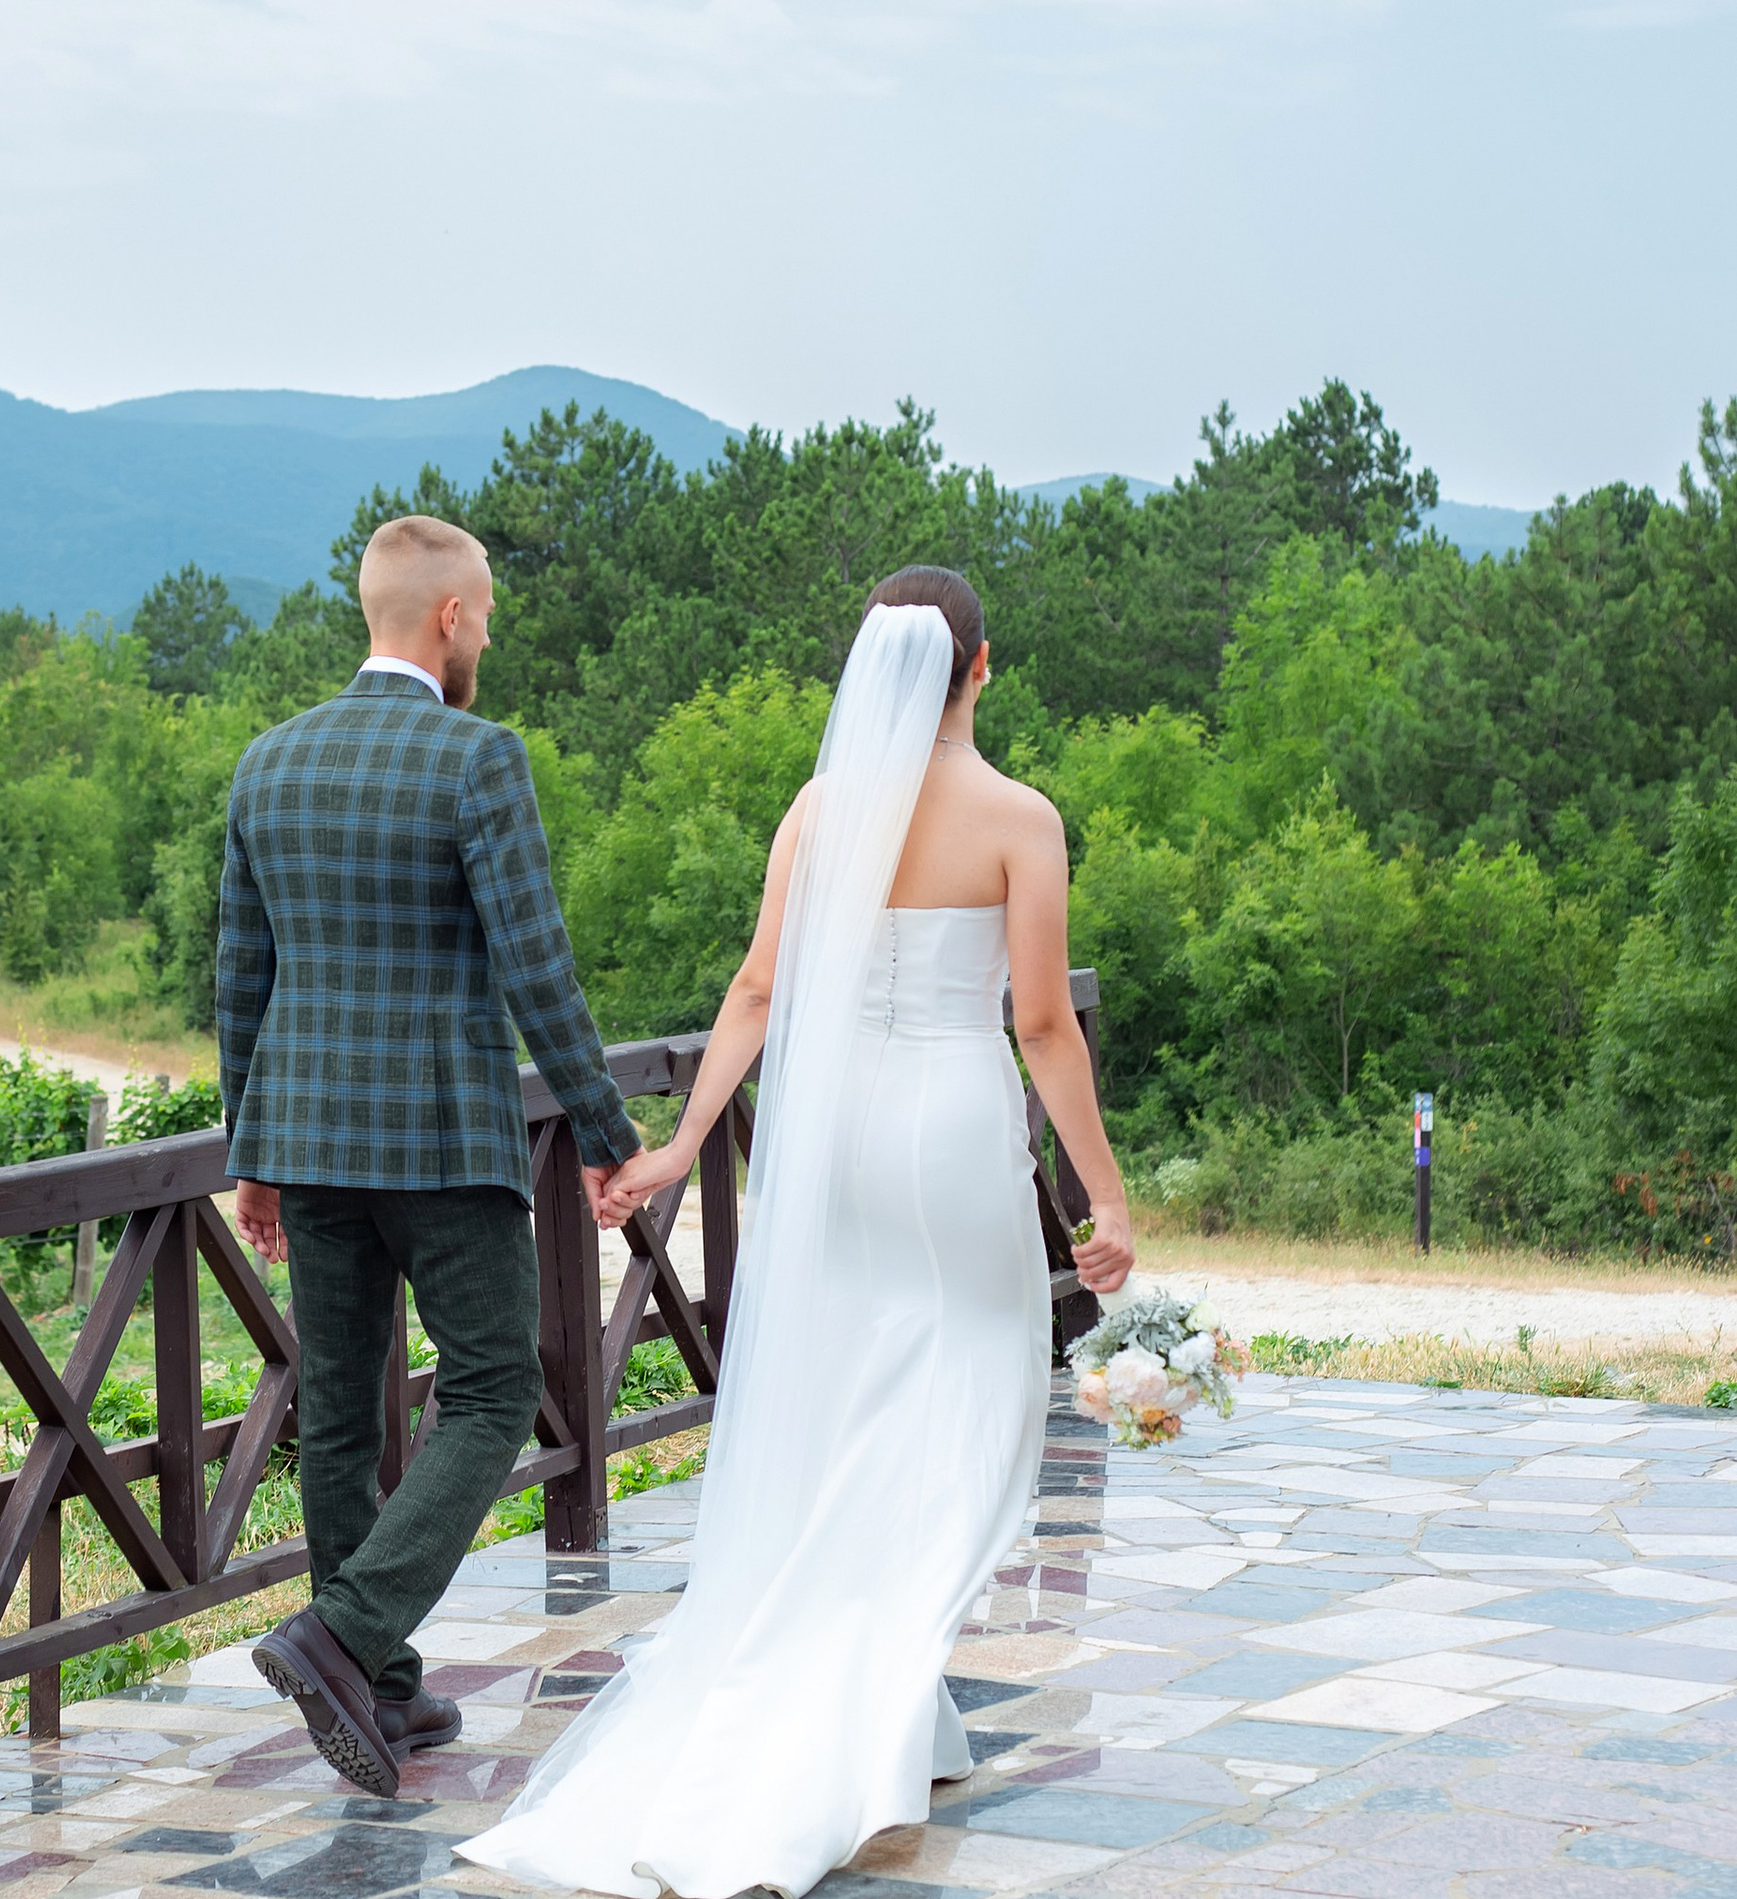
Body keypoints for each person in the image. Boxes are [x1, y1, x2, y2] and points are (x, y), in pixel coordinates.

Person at [459, 566, 1134, 1899]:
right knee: (975, 1405)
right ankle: (856, 1710)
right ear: (980, 667)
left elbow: (759, 988)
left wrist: (681, 1145)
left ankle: (891, 1709)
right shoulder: (1019, 818)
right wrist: (1104, 1197)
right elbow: (1043, 1024)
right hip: (948, 1130)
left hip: (835, 1139)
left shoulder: (823, 810)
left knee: (859, 1400)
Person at [221, 513, 642, 1799]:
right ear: (449, 616)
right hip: (445, 1143)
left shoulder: (267, 763)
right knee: (496, 1389)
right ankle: (344, 1636)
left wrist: (249, 1151)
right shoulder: (477, 756)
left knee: (343, 1412)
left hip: (308, 1141)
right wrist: (604, 1131)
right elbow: (535, 963)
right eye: (488, 615)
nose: (489, 639)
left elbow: (242, 978)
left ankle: (383, 1688)